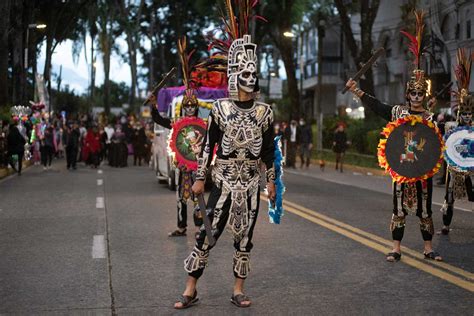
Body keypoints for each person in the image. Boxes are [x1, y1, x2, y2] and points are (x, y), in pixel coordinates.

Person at [174, 33, 276, 309]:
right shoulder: (220, 109)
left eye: (254, 72)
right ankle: (190, 288)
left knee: (245, 238)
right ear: (234, 75)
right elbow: (209, 145)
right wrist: (199, 178)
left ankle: (238, 289)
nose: (251, 77)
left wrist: (272, 182)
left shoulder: (265, 113)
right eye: (245, 72)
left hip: (252, 182)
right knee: (207, 232)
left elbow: (268, 151)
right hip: (224, 182)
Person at [345, 10, 442, 263]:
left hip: (422, 171)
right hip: (401, 167)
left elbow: (436, 148)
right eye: (414, 93)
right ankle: (396, 248)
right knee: (398, 209)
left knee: (424, 210)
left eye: (421, 94)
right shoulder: (398, 113)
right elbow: (378, 106)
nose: (417, 97)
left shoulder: (431, 120)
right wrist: (358, 91)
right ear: (408, 94)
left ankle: (428, 248)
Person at [440, 48, 474, 235]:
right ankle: (446, 225)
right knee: (450, 195)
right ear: (460, 113)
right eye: (465, 114)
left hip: (472, 167)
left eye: (471, 114)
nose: (468, 117)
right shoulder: (451, 127)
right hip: (455, 168)